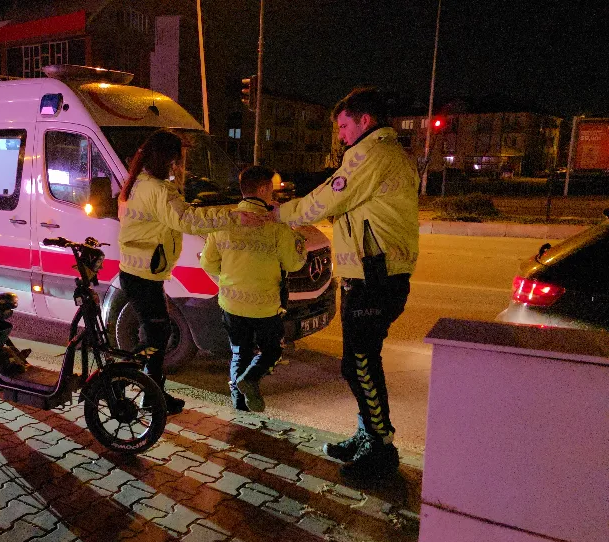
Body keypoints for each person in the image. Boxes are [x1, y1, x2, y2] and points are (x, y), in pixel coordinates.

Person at [275, 87, 419, 477]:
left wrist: (279, 214)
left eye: (343, 126)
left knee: (360, 363)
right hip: (373, 274)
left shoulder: (372, 155)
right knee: (358, 363)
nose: (340, 135)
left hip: (375, 277)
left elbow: (326, 199)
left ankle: (381, 449)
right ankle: (369, 433)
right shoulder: (386, 154)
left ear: (364, 121)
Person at [117, 129, 270, 415]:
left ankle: (151, 392)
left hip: (140, 273)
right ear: (167, 159)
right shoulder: (158, 190)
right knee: (156, 337)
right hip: (143, 276)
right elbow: (188, 220)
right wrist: (233, 217)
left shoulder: (140, 183)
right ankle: (122, 377)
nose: (180, 166)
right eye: (178, 160)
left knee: (157, 334)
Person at [200, 165, 306, 413]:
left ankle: (240, 404)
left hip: (231, 304)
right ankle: (251, 378)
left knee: (239, 352)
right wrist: (297, 237)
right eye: (272, 188)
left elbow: (208, 263)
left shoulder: (226, 222)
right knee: (272, 351)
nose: (274, 193)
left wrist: (229, 279)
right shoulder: (276, 227)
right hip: (265, 306)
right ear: (263, 189)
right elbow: (294, 263)